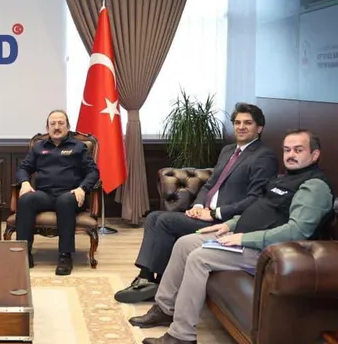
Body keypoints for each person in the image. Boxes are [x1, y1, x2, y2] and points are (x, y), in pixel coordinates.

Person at [129, 129, 334, 344]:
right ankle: (164, 308)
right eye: (287, 150)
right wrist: (229, 225)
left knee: (199, 258)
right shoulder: (284, 178)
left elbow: (296, 232)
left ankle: (182, 336)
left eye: (298, 150)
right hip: (242, 237)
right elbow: (259, 210)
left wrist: (244, 238)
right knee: (185, 244)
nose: (291, 155)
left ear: (315, 155)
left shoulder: (314, 186)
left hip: (268, 253)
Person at [114, 102, 278, 303]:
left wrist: (216, 213)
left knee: (163, 221)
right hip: (206, 214)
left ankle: (153, 281)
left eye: (248, 123)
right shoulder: (228, 150)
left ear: (259, 128)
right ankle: (149, 279)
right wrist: (198, 206)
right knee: (154, 218)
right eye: (237, 122)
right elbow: (210, 184)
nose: (241, 127)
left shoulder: (264, 156)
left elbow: (255, 200)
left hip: (225, 222)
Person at [15, 109, 100, 275]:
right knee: (26, 200)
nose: (56, 127)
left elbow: (93, 172)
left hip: (71, 195)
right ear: (47, 128)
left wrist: (82, 188)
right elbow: (23, 168)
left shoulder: (78, 147)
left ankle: (65, 256)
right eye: (52, 124)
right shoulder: (39, 147)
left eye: (61, 123)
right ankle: (23, 254)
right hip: (45, 194)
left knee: (64, 201)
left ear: (67, 127)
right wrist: (24, 182)